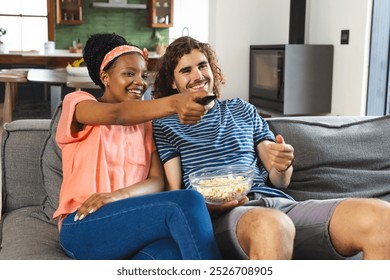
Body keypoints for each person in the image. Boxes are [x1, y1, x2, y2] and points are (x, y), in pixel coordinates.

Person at [152, 36, 390, 260]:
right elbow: (176, 194)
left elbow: (279, 180)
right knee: (273, 225)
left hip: (278, 203)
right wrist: (209, 207)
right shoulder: (165, 125)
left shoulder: (242, 109)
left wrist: (283, 163)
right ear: (173, 82)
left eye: (202, 66)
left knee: (382, 216)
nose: (198, 75)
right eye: (186, 70)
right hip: (225, 217)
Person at [52, 33, 221, 260]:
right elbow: (118, 115)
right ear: (105, 77)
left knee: (171, 252)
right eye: (128, 74)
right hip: (83, 224)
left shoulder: (146, 124)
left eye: (143, 75)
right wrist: (174, 103)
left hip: (128, 225)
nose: (140, 82)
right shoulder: (79, 105)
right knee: (188, 201)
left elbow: (157, 181)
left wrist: (116, 196)